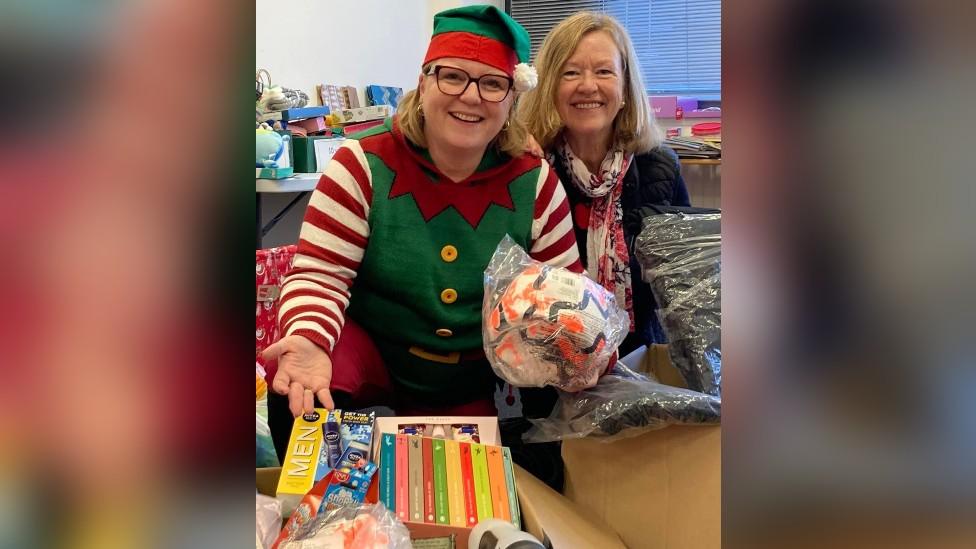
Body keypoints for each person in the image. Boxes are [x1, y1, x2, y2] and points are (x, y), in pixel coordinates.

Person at [261, 4, 585, 442]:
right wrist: (308, 338)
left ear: (512, 98)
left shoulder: (535, 182)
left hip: (463, 382)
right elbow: (321, 274)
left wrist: (582, 346)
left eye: (492, 84)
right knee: (298, 375)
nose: (471, 96)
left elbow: (565, 294)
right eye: (452, 75)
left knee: (457, 493)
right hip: (367, 354)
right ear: (424, 81)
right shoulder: (361, 164)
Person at [518, 12, 691, 355]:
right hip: (549, 363)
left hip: (638, 356)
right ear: (550, 85)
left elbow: (684, 279)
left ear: (625, 88)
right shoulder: (530, 171)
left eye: (604, 71)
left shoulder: (660, 167)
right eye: (571, 72)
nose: (588, 85)